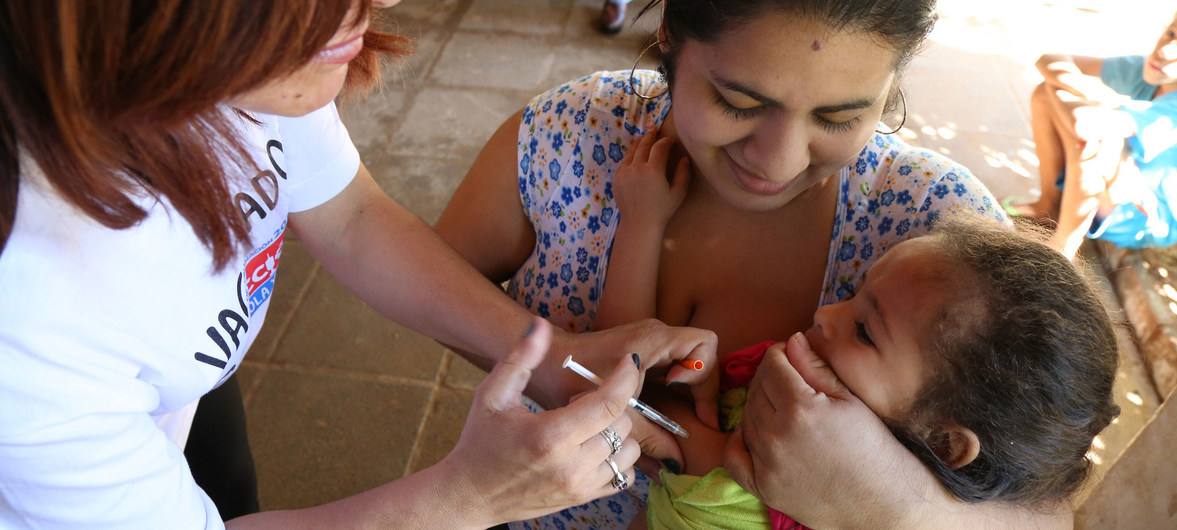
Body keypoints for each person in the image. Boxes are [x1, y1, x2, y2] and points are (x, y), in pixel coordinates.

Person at [0, 1, 723, 527]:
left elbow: (347, 217)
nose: (386, 4)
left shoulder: (243, 64)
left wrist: (555, 358)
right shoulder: (30, 323)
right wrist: (464, 499)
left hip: (184, 385)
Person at [435, 0, 1076, 527]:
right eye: (739, 103)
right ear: (669, 37)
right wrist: (553, 367)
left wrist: (894, 507)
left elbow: (1044, 501)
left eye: (841, 115)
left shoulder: (943, 243)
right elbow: (429, 281)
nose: (778, 164)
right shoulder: (568, 138)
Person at [599, 215, 1120, 529]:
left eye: (866, 330)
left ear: (943, 439)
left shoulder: (746, 473)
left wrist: (644, 220)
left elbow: (610, 381)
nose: (827, 314)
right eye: (853, 293)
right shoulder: (790, 388)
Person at [1005, 11, 1177, 259]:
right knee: (1047, 92)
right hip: (1121, 185)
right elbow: (1051, 59)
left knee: (1100, 140)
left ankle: (1061, 251)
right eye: (1171, 33)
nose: (1166, 51)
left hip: (1145, 216)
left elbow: (1085, 124)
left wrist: (1082, 98)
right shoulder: (1154, 70)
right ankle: (1048, 206)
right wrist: (1085, 92)